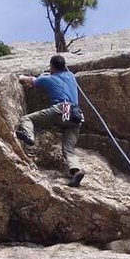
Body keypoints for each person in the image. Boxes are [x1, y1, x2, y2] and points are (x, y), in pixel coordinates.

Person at [17, 55, 85, 187]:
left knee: (27, 119)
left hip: (63, 110)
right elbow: (62, 71)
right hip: (76, 116)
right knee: (68, 148)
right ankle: (76, 172)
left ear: (52, 66)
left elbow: (30, 80)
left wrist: (20, 77)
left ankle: (29, 136)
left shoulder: (47, 79)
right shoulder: (71, 76)